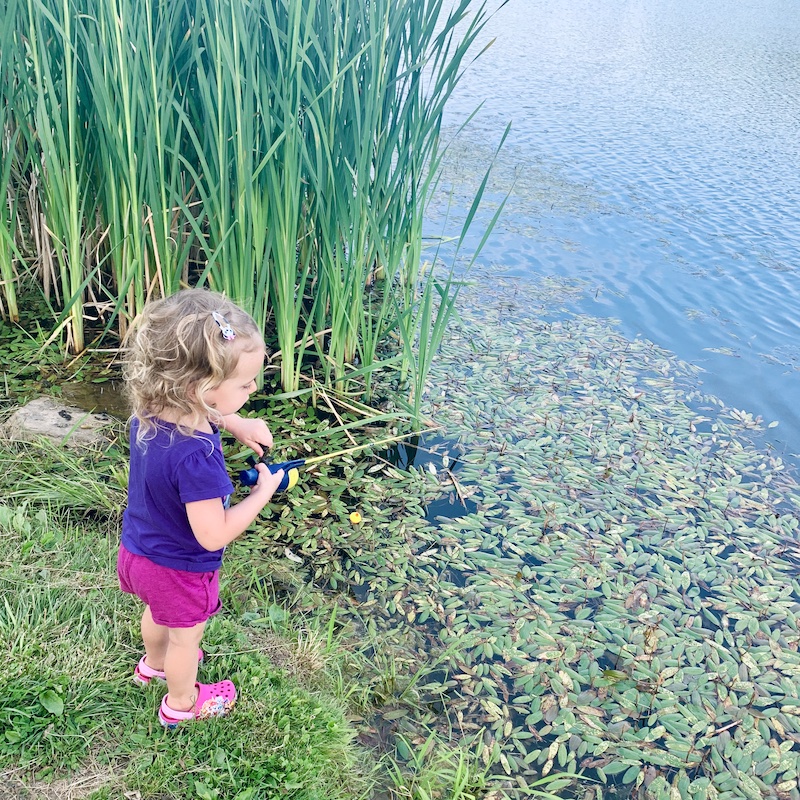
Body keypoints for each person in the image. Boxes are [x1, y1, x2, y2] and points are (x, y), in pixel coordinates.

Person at [117, 288, 285, 727]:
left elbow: (198, 409)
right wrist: (262, 493)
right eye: (246, 384)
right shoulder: (199, 459)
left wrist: (235, 422)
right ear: (202, 387)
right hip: (180, 568)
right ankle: (181, 704)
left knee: (157, 612)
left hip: (139, 552)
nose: (253, 389)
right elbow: (213, 533)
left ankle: (151, 667)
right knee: (185, 639)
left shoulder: (148, 412)